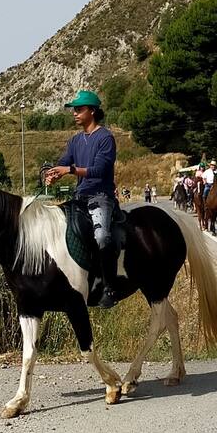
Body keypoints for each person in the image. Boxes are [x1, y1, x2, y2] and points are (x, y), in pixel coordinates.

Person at [43, 90, 126, 306]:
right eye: (74, 110)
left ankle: (110, 288)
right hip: (79, 196)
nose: (75, 113)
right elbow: (63, 162)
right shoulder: (75, 140)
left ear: (93, 111)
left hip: (101, 196)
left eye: (79, 109)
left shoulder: (105, 138)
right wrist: (52, 174)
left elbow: (99, 170)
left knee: (102, 237)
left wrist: (69, 170)